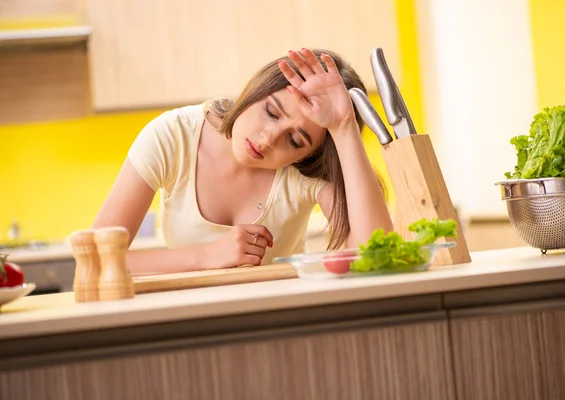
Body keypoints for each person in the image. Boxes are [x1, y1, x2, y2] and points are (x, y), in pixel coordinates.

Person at [93, 48, 393, 274]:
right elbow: (94, 259)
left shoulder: (305, 172)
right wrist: (208, 256)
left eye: (295, 141)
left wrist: (343, 127)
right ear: (257, 90)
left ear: (308, 154)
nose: (267, 139)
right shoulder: (173, 136)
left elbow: (372, 256)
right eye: (272, 112)